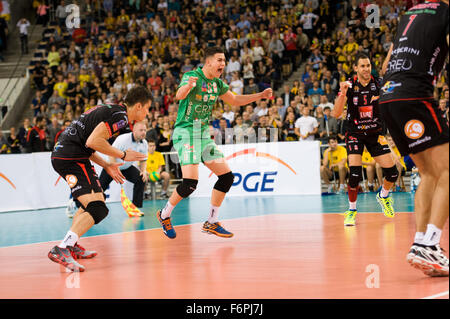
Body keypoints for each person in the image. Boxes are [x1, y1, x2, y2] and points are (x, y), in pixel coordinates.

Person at [156, 46, 272, 239]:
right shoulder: (192, 76)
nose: (223, 64)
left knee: (227, 177)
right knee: (190, 183)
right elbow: (179, 96)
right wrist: (188, 86)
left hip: (201, 133)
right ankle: (164, 214)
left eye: (224, 61)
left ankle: (211, 221)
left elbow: (234, 100)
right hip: (185, 131)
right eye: (219, 60)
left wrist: (259, 96)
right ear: (208, 62)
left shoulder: (217, 83)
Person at [48, 86, 152, 272]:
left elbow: (88, 144)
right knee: (98, 209)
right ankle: (62, 248)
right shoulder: (120, 118)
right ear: (138, 106)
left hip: (71, 155)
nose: (148, 112)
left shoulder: (114, 111)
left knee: (94, 202)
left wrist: (107, 165)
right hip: (71, 158)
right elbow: (92, 142)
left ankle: (71, 244)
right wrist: (123, 154)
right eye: (147, 108)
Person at [379, 0, 449, 276]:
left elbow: (386, 64)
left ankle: (421, 242)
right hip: (415, 94)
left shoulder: (410, 14)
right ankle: (432, 243)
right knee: (446, 171)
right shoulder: (445, 12)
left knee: (429, 173)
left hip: (388, 97)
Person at [333, 52, 398, 226]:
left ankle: (383, 196)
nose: (366, 69)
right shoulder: (349, 85)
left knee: (393, 173)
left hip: (375, 134)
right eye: (362, 66)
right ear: (355, 68)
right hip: (354, 133)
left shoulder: (379, 84)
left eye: (368, 65)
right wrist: (342, 94)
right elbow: (336, 113)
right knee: (354, 174)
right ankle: (352, 210)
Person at [98, 121, 149, 213]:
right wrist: (114, 168)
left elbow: (143, 159)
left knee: (140, 179)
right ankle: (79, 205)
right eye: (141, 130)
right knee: (99, 189)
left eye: (145, 130)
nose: (143, 132)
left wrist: (143, 171)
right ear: (134, 130)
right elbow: (111, 153)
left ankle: (136, 208)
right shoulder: (123, 139)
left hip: (126, 167)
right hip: (111, 166)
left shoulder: (144, 143)